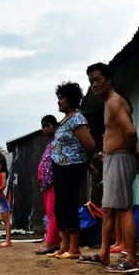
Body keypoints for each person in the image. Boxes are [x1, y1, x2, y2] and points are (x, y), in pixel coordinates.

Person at [80, 62, 139, 272]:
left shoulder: (114, 102)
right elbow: (129, 130)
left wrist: (134, 154)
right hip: (113, 159)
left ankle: (131, 259)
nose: (94, 84)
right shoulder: (109, 103)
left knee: (124, 210)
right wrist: (135, 153)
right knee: (108, 210)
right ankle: (104, 254)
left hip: (120, 158)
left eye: (98, 80)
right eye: (91, 81)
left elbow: (130, 132)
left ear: (109, 79)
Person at [49, 82, 96, 259]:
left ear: (70, 98)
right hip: (60, 167)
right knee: (60, 206)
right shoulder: (63, 121)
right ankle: (64, 246)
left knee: (69, 204)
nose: (58, 101)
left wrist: (86, 162)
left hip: (72, 167)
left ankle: (75, 248)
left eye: (61, 98)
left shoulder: (77, 119)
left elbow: (90, 145)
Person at [35, 115, 61, 256]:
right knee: (50, 213)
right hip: (46, 184)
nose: (45, 129)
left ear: (55, 126)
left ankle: (50, 241)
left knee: (52, 214)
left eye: (48, 126)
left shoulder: (58, 141)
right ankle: (55, 242)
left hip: (53, 183)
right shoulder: (50, 143)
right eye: (43, 126)